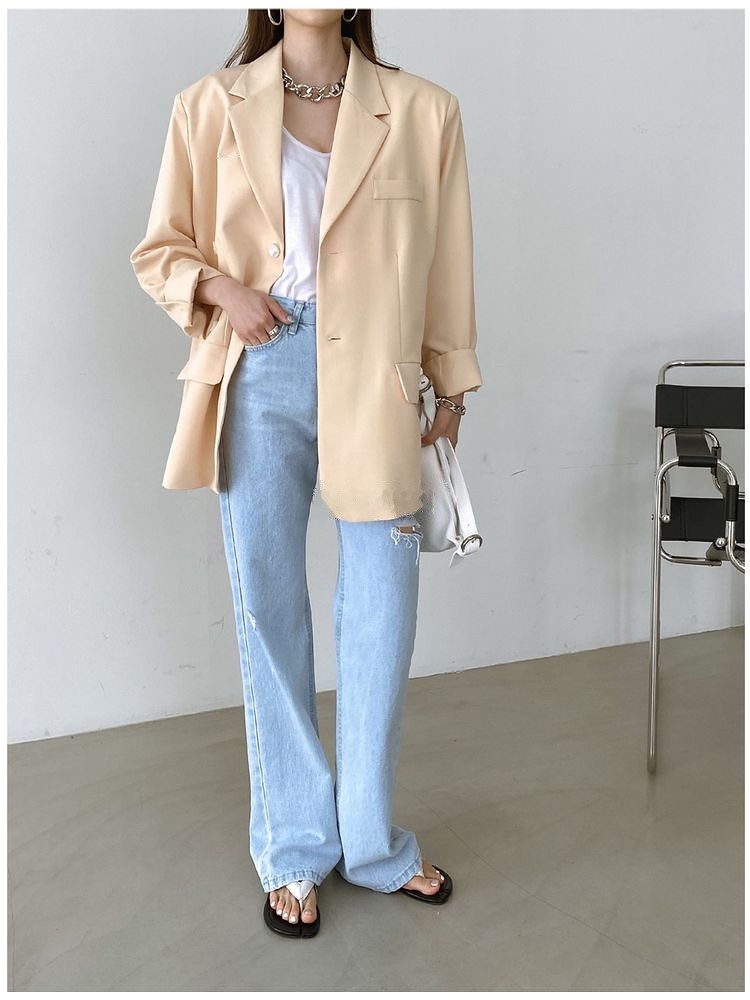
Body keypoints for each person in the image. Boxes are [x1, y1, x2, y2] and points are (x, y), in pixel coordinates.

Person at [130, 7, 482, 939]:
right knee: (269, 609)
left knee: (381, 617)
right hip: (262, 367)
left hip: (379, 377)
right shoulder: (208, 105)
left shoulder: (425, 111)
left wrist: (452, 393)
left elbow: (446, 266)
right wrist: (226, 292)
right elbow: (161, 249)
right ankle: (293, 848)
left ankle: (372, 846)